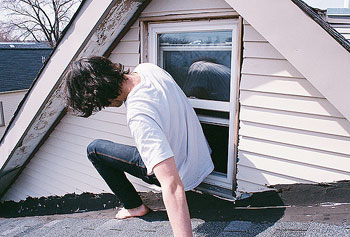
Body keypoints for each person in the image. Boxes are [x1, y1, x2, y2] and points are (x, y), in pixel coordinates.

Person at [64, 56, 214, 237]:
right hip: (200, 154)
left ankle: (135, 207)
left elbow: (172, 185)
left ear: (103, 92)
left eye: (101, 103)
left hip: (183, 171)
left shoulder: (139, 115)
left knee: (94, 149)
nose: (105, 107)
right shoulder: (147, 69)